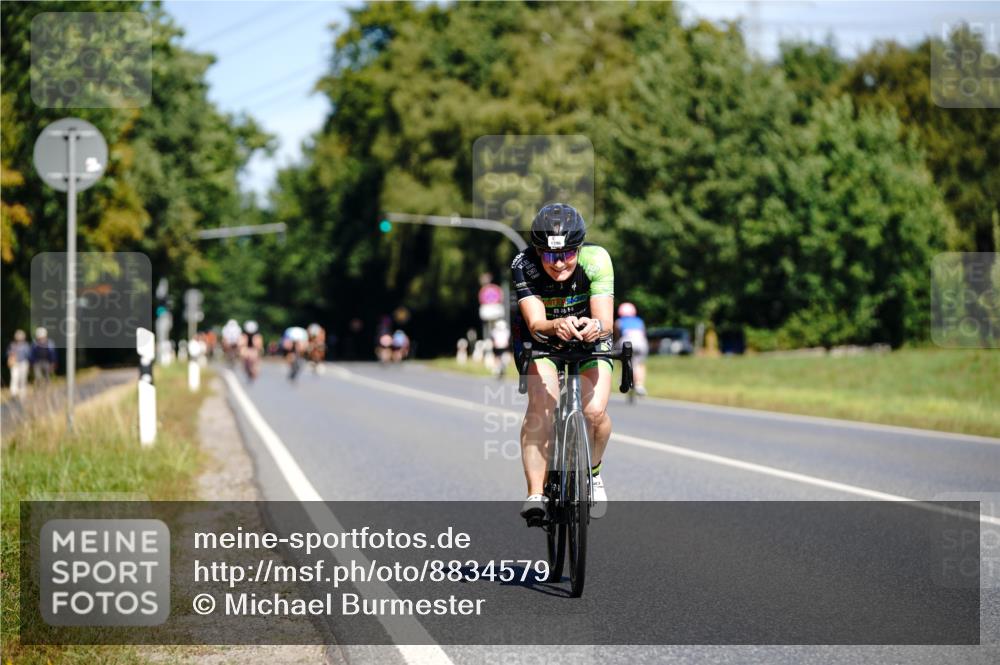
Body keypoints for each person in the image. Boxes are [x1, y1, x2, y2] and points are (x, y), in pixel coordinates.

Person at [512, 203, 614, 521]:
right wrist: (555, 326)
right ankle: (536, 493)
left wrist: (593, 327)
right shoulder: (523, 264)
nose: (558, 264)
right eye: (549, 256)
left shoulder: (597, 260)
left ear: (579, 248)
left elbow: (605, 321)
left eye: (568, 254)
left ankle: (593, 473)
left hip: (589, 339)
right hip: (543, 340)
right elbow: (535, 323)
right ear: (537, 251)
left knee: (595, 412)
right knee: (541, 405)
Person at [615, 302, 649, 396]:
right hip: (641, 342)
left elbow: (617, 335)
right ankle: (639, 385)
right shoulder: (639, 321)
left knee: (621, 357)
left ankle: (623, 377)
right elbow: (644, 333)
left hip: (626, 341)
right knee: (640, 364)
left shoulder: (619, 321)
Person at [7, 330, 31, 398]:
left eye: (21, 337)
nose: (19, 338)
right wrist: (11, 356)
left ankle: (22, 394)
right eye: (18, 337)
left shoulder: (26, 345)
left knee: (23, 379)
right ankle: (13, 394)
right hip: (15, 364)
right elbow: (8, 354)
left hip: (23, 363)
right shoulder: (12, 345)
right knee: (14, 378)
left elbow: (29, 355)